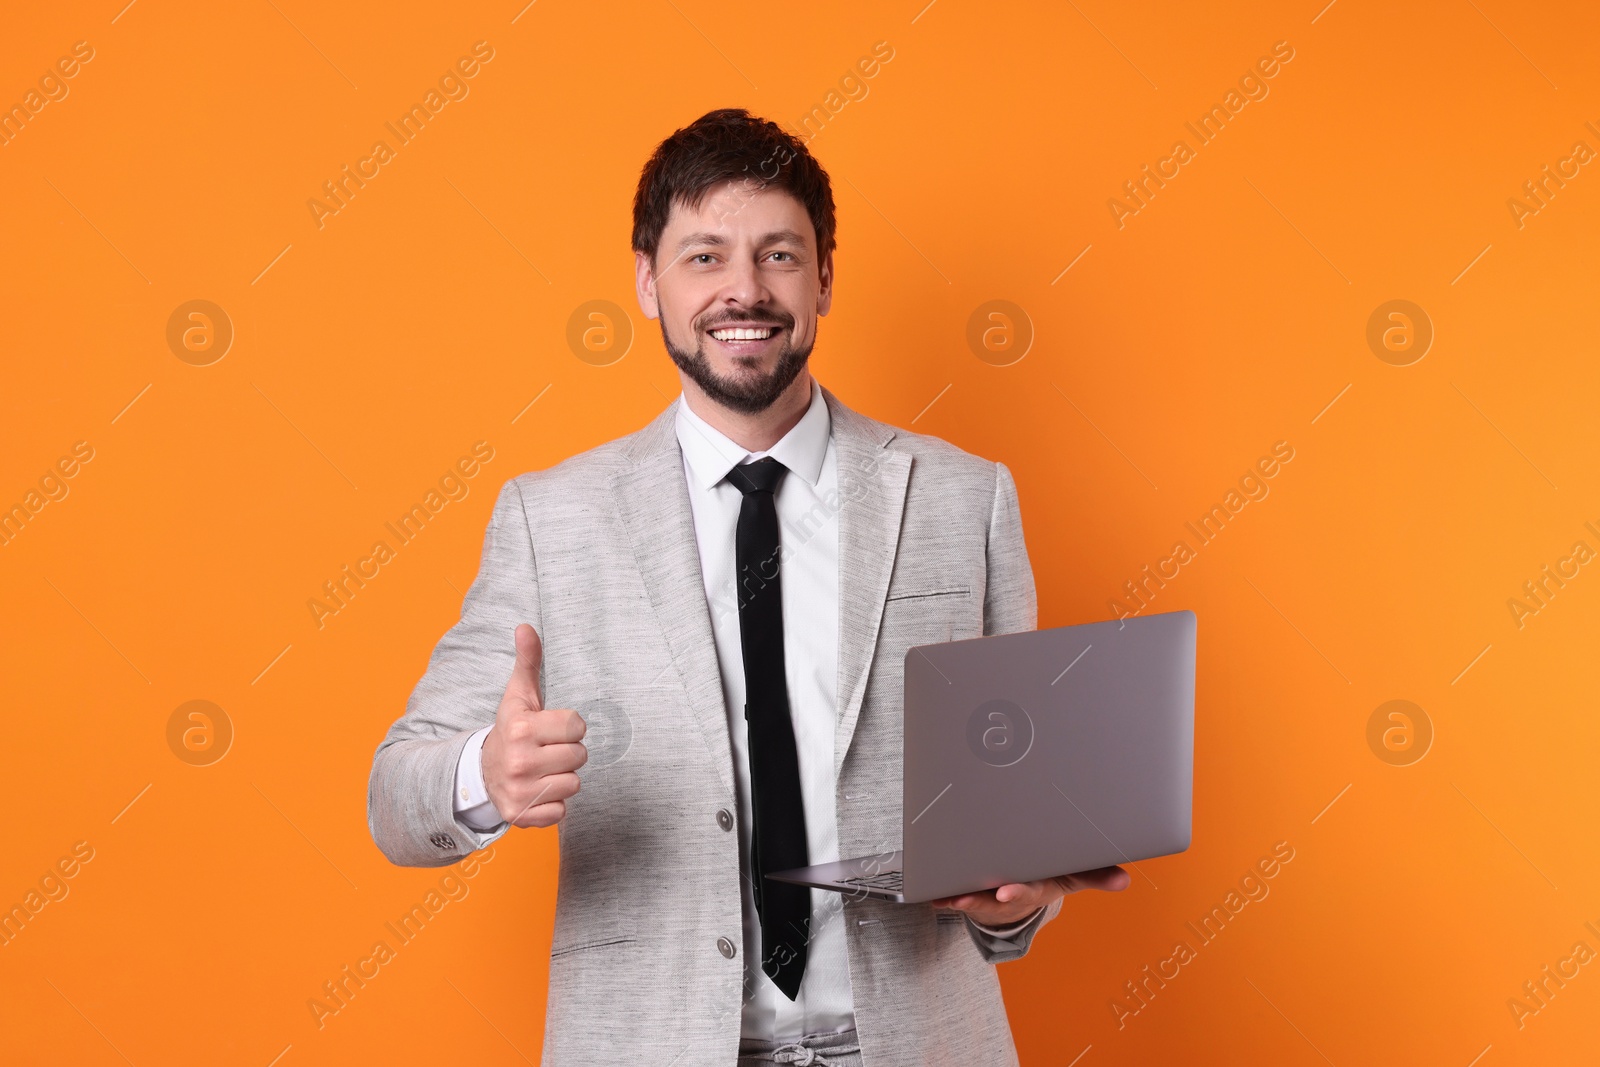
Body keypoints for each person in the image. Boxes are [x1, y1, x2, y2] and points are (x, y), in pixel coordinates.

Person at [367, 107, 1129, 1067]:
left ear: (823, 280)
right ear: (646, 281)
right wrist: (485, 771)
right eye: (703, 257)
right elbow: (395, 801)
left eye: (778, 255)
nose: (744, 290)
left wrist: (1018, 900)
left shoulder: (961, 499)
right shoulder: (549, 517)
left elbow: (1021, 832)